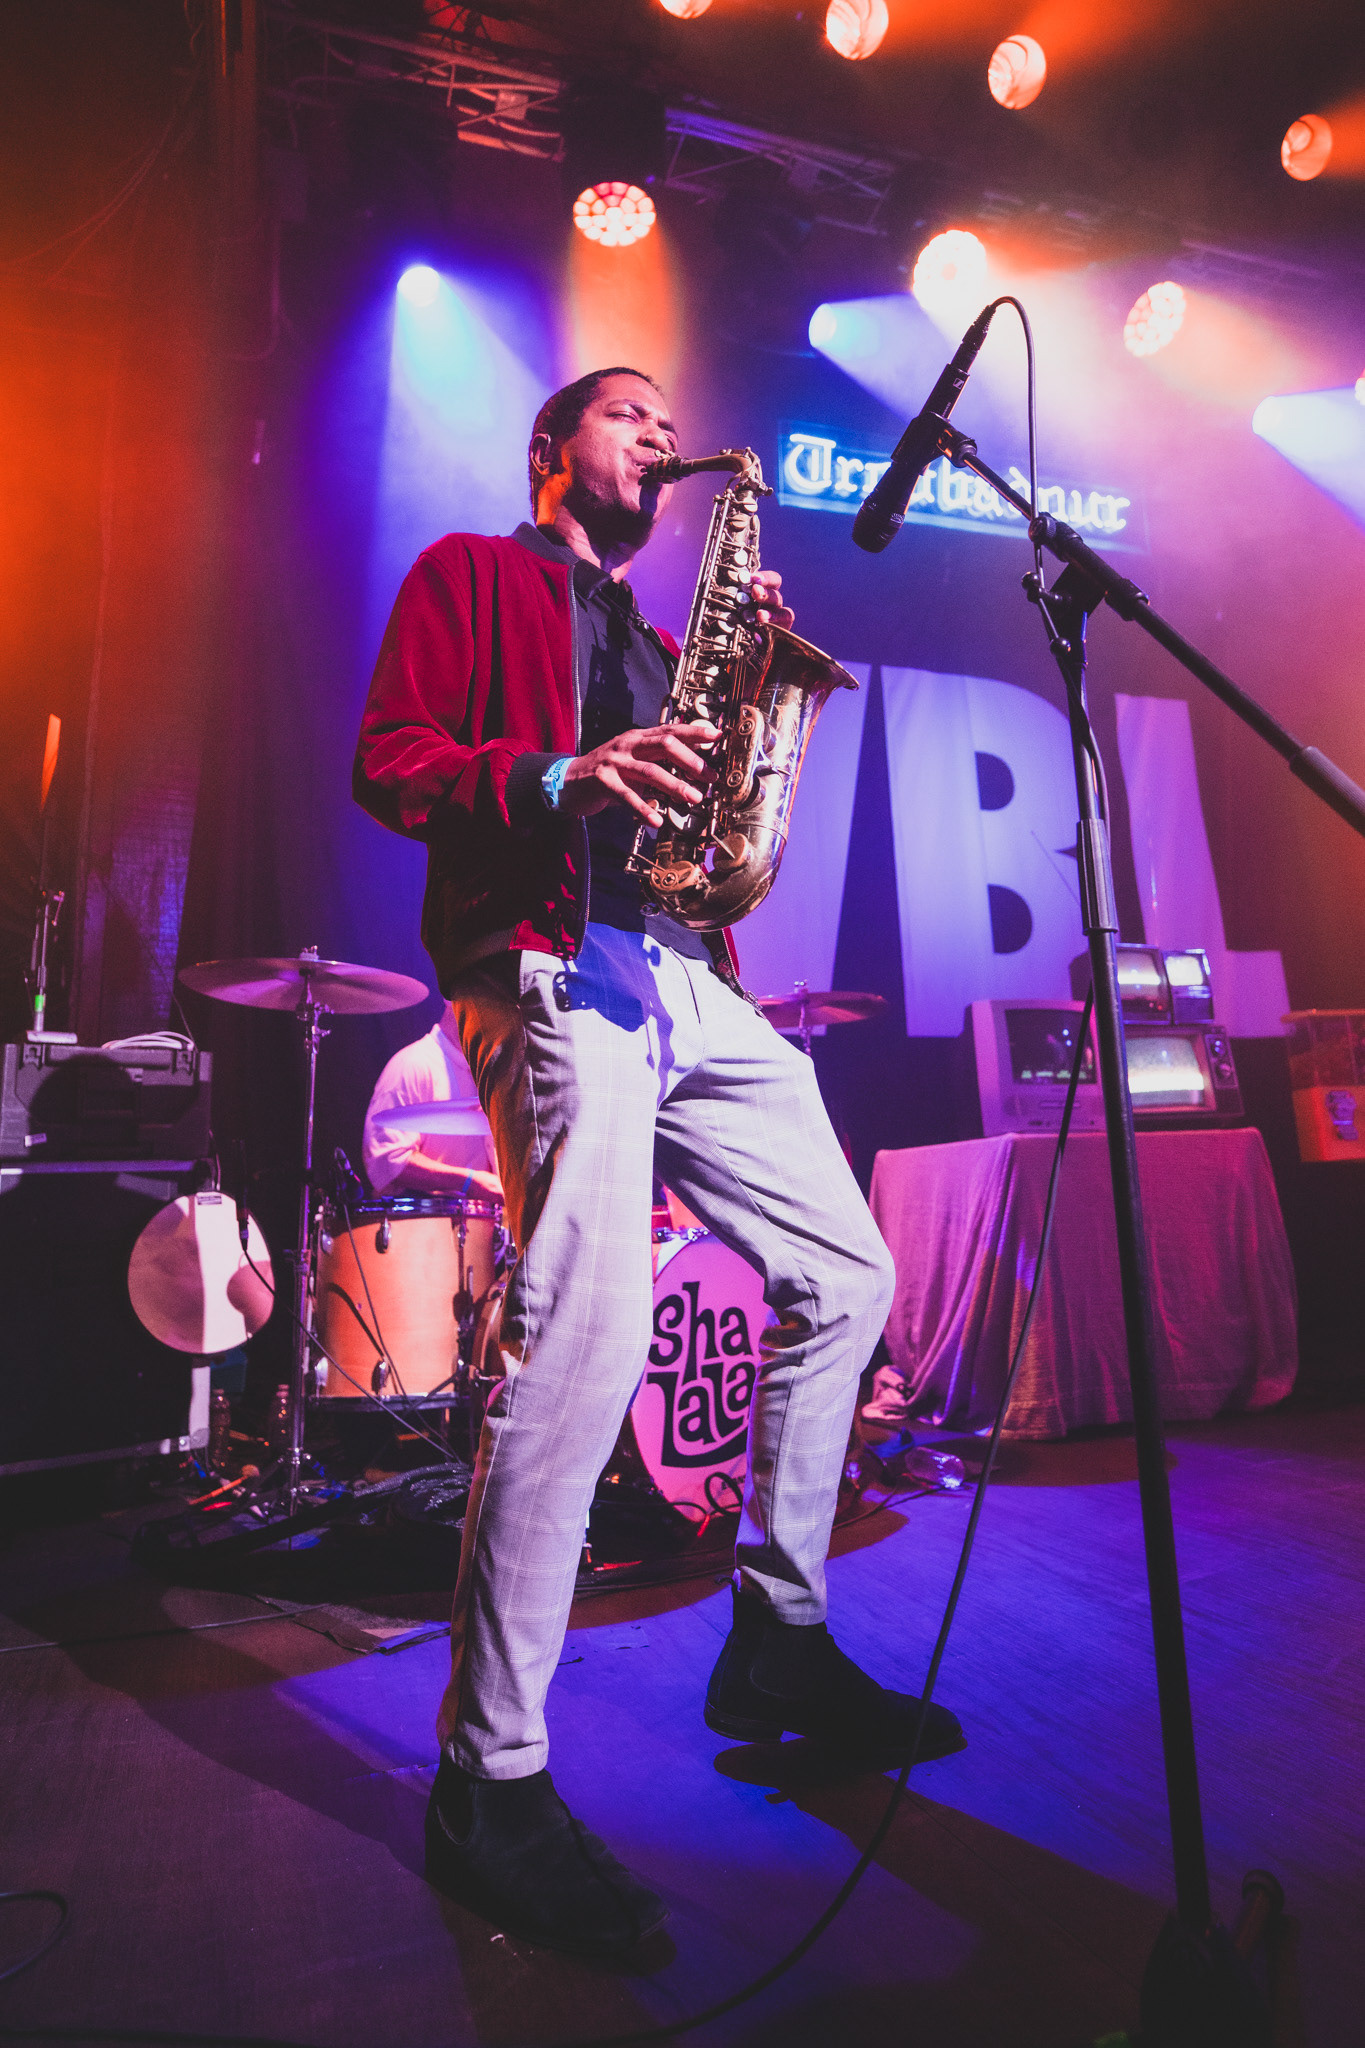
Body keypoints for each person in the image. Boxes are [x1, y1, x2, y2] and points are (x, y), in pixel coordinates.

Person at [353, 366, 963, 1958]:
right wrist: (558, 772)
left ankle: (777, 1632)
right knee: (583, 1336)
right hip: (553, 964)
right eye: (626, 411)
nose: (656, 429)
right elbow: (391, 757)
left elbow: (715, 804)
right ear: (555, 448)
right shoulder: (470, 573)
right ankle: (488, 1779)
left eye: (661, 414)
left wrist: (754, 680)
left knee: (848, 1271)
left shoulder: (656, 619)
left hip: (688, 971)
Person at [362, 1003, 503, 1203]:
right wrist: (468, 1181)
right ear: (449, 998)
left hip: (488, 1226)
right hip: (428, 1226)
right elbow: (386, 1161)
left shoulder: (493, 1073)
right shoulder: (412, 1064)